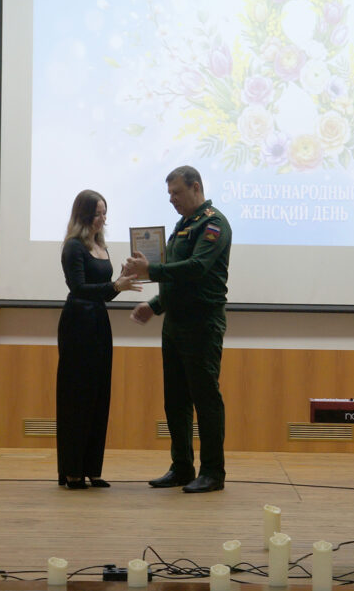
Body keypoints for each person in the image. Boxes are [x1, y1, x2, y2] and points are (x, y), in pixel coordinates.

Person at [126, 165, 232, 493]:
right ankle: (182, 467)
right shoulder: (182, 225)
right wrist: (154, 305)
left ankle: (213, 472)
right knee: (175, 401)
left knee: (205, 399)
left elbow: (196, 269)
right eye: (169, 194)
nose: (172, 200)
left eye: (177, 193)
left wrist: (152, 269)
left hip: (202, 324)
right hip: (175, 325)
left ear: (196, 187)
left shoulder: (213, 223)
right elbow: (176, 281)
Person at [57, 190, 141, 489]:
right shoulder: (73, 247)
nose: (103, 218)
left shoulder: (100, 246)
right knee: (76, 396)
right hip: (77, 322)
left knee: (98, 394)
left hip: (98, 322)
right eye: (97, 213)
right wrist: (113, 284)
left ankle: (92, 468)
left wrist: (120, 281)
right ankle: (71, 471)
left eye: (105, 212)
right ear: (83, 215)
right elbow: (79, 288)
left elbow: (104, 290)